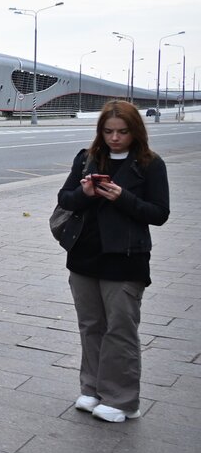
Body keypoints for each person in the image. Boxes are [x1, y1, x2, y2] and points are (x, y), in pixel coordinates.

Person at [57, 100, 169, 422]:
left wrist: (123, 198)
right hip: (84, 256)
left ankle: (122, 400)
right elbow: (65, 199)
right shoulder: (87, 158)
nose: (115, 138)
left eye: (122, 132)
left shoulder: (150, 164)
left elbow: (159, 213)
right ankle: (92, 389)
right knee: (90, 326)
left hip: (125, 259)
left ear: (136, 132)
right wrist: (85, 194)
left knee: (120, 329)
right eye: (108, 131)